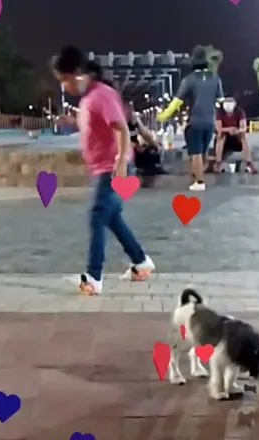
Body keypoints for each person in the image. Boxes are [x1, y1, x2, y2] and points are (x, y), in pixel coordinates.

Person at [52, 46, 155, 295]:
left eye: (64, 81)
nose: (64, 87)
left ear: (78, 73)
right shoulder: (89, 99)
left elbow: (120, 127)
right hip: (103, 166)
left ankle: (93, 277)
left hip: (112, 167)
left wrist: (120, 162)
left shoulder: (102, 94)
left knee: (98, 215)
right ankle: (141, 262)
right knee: (111, 218)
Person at [157, 45, 224, 191]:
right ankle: (196, 176)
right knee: (203, 152)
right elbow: (220, 101)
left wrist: (163, 115)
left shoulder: (189, 80)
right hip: (210, 122)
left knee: (195, 153)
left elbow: (177, 101)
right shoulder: (215, 79)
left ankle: (199, 182)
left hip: (195, 122)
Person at [214, 97, 258, 174]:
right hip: (224, 139)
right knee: (221, 135)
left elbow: (243, 128)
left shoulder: (240, 112)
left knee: (242, 136)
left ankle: (249, 163)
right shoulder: (220, 112)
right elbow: (218, 129)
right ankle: (218, 163)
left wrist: (236, 130)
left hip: (236, 138)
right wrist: (229, 129)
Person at [123, 101, 166, 178]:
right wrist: (134, 146)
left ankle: (152, 168)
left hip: (135, 148)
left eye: (131, 108)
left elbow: (145, 134)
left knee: (150, 149)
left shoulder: (134, 120)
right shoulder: (118, 121)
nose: (129, 111)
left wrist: (155, 145)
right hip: (123, 149)